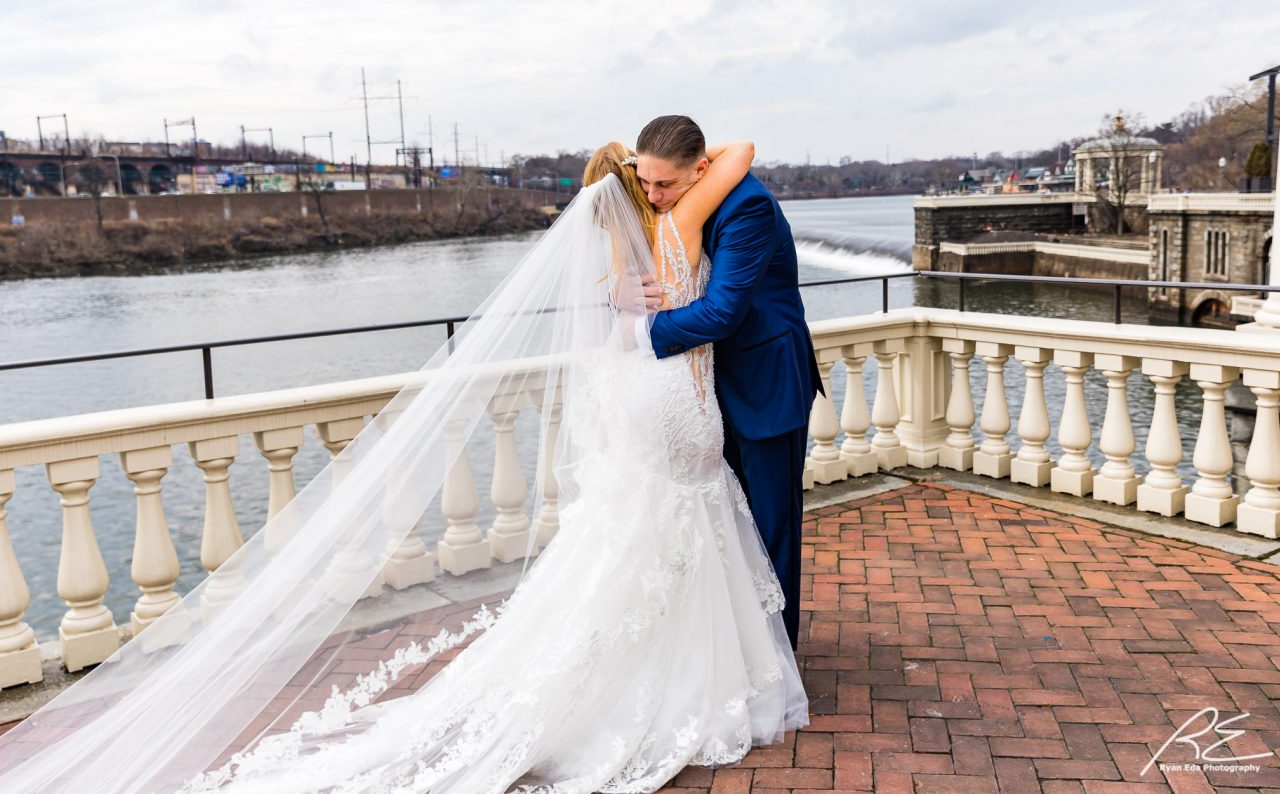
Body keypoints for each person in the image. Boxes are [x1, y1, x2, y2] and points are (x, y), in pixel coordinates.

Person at [0, 139, 807, 793]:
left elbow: (732, 187)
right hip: (674, 393)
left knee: (701, 528)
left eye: (670, 183)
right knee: (690, 526)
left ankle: (742, 654)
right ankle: (728, 662)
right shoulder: (678, 218)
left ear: (686, 173)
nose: (663, 194)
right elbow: (722, 223)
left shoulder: (697, 211)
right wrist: (643, 317)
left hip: (706, 392)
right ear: (643, 180)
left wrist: (641, 307)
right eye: (653, 183)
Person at [630, 115, 821, 651]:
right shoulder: (688, 198)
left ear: (702, 169)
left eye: (664, 184)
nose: (652, 195)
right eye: (645, 182)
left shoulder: (748, 209)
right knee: (726, 528)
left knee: (768, 531)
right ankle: (733, 651)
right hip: (709, 393)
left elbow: (721, 314)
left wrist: (637, 333)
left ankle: (778, 661)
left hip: (765, 386)